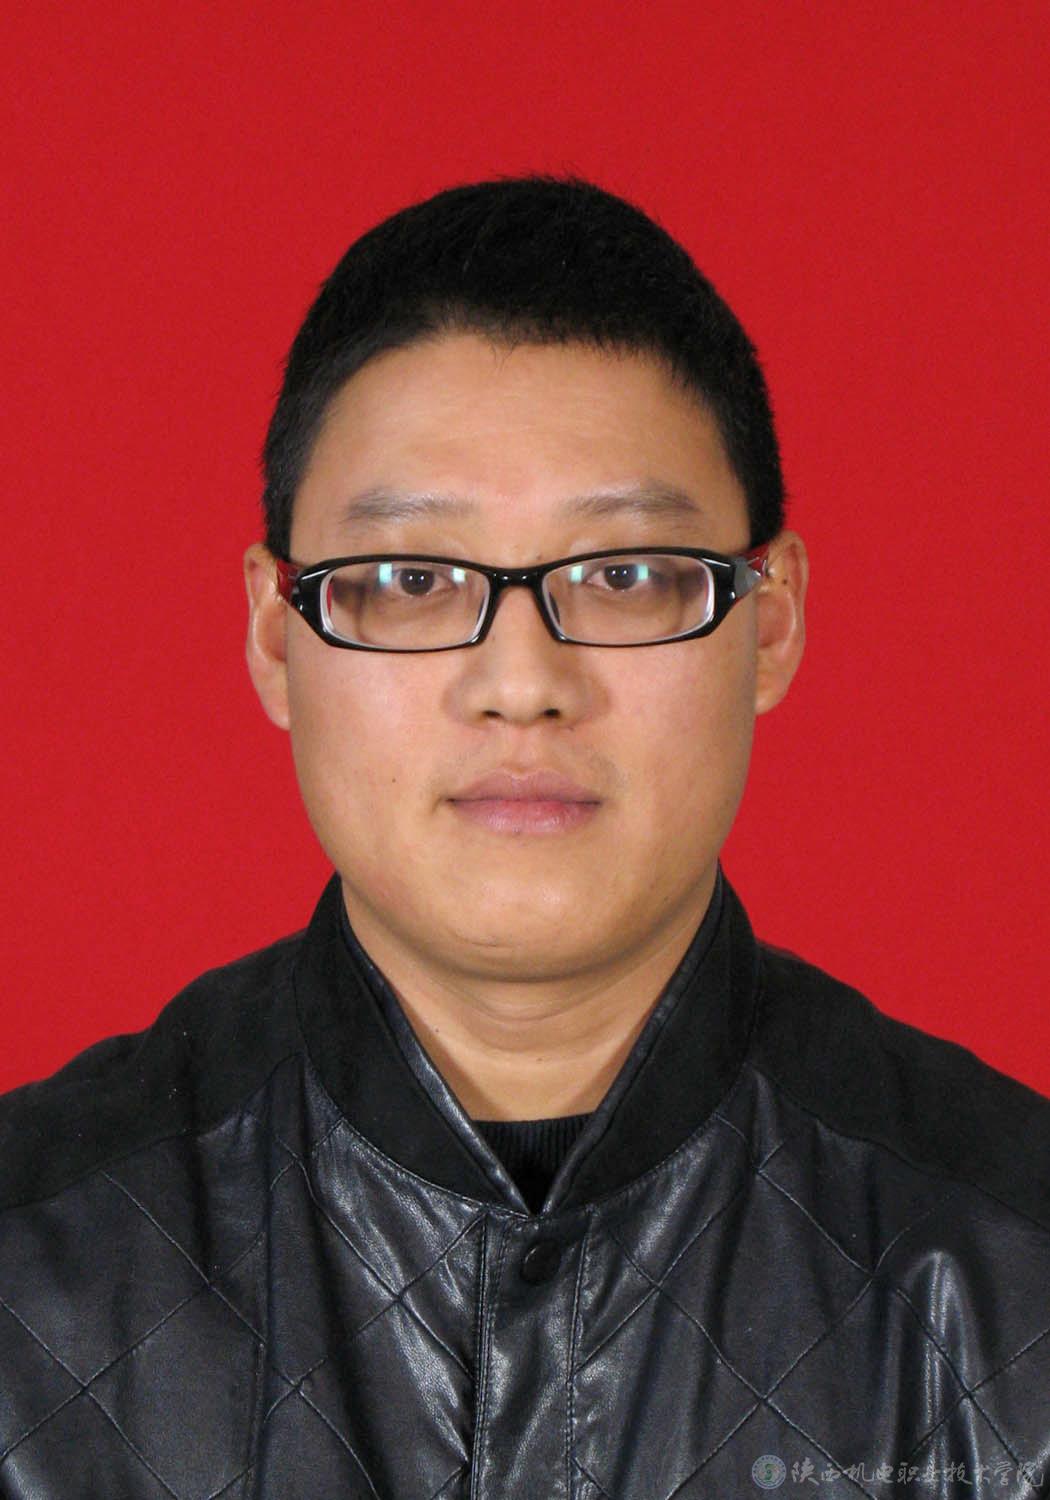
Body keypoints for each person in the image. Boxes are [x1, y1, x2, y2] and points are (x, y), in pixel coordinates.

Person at [1, 177, 1048, 1500]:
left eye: (623, 575)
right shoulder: (30, 1273)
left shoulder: (1010, 1280)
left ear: (770, 621)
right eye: (409, 580)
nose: (520, 683)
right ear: (275, 637)